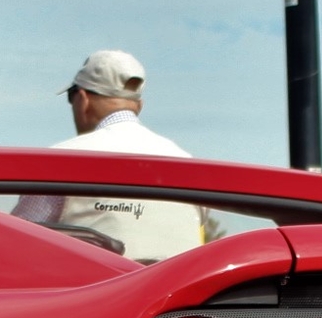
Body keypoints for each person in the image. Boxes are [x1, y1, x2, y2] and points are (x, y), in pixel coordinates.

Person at [12, 50, 203, 260]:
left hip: (94, 291)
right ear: (139, 106)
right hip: (178, 291)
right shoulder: (188, 163)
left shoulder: (61, 159)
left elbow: (15, 242)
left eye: (71, 97)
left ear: (83, 99)